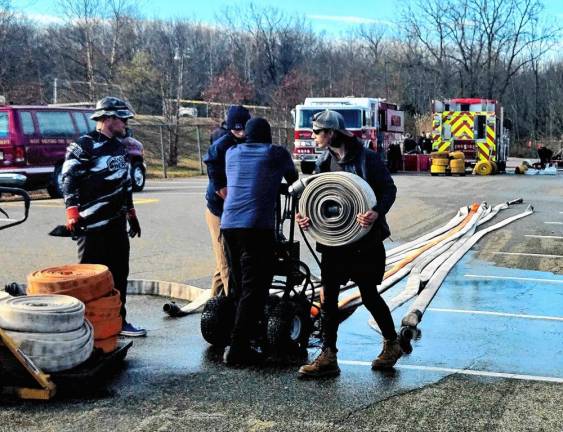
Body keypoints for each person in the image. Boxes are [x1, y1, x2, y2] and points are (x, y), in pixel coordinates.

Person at [296, 109, 401, 378]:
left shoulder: (368, 159)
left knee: (368, 294)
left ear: (331, 133)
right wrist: (306, 219)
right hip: (334, 240)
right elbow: (317, 199)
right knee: (328, 297)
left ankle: (392, 343)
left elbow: (389, 190)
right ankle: (328, 356)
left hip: (365, 241)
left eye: (318, 131)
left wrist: (376, 211)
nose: (314, 136)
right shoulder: (323, 163)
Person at [61, 96, 146, 337]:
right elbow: (68, 180)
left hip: (116, 224)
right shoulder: (84, 145)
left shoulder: (121, 146)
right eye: (122, 119)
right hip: (91, 226)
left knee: (119, 274)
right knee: (90, 279)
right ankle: (85, 328)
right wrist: (72, 214)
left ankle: (119, 321)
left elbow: (125, 181)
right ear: (108, 118)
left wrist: (131, 213)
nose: (126, 124)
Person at [221, 117, 298, 366]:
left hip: (229, 225)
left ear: (245, 135)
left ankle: (241, 333)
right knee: (255, 289)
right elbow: (293, 179)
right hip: (256, 227)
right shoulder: (274, 153)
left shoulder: (231, 152)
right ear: (269, 135)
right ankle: (238, 349)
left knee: (240, 284)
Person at [203, 105, 251, 297]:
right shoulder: (220, 148)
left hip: (236, 210)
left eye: (243, 128)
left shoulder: (250, 142)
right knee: (227, 262)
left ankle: (214, 304)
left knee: (222, 262)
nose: (240, 132)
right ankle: (235, 308)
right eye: (236, 129)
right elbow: (223, 192)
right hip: (219, 211)